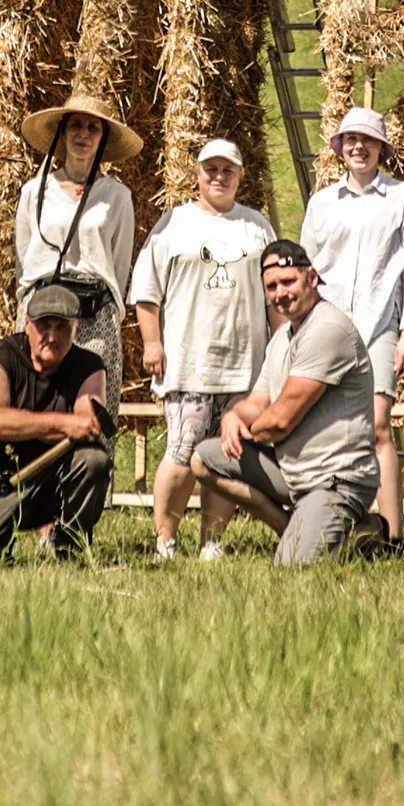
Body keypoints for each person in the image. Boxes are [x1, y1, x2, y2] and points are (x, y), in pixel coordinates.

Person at [185, 237, 383, 565]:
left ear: (312, 278)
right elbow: (258, 402)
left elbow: (278, 422)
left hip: (336, 479)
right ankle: (292, 529)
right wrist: (233, 416)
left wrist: (246, 431)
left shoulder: (328, 329)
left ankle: (365, 531)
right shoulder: (281, 338)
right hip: (294, 472)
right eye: (272, 287)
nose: (280, 293)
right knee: (204, 458)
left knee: (293, 569)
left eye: (288, 282)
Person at [126, 136, 275, 559]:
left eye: (228, 170)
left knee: (226, 458)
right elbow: (146, 291)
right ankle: (165, 540)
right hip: (189, 363)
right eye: (211, 169)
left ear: (240, 176)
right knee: (181, 452)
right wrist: (152, 343)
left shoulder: (256, 226)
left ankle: (212, 542)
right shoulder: (175, 223)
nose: (219, 177)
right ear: (197, 174)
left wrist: (280, 348)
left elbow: (275, 294)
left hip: (244, 365)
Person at [297, 106, 404, 544]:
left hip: (379, 325)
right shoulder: (321, 203)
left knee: (377, 428)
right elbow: (306, 271)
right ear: (340, 148)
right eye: (351, 140)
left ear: (381, 149)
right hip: (328, 328)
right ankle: (331, 529)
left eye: (368, 140)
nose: (359, 147)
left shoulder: (403, 198)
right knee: (327, 429)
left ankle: (393, 537)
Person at [0, 280, 115, 557]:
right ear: (27, 325)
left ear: (77, 329)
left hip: (48, 486)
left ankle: (69, 548)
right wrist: (62, 424)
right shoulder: (0, 356)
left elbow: (84, 423)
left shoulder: (89, 366)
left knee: (93, 460)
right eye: (44, 326)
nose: (52, 337)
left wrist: (71, 425)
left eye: (62, 327)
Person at [11, 93, 141, 386]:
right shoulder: (34, 191)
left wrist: (110, 307)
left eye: (93, 128)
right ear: (62, 132)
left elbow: (120, 265)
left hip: (94, 313)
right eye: (76, 125)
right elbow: (23, 258)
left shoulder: (117, 197)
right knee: (37, 394)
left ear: (103, 139)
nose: (83, 134)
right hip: (41, 306)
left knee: (93, 396)